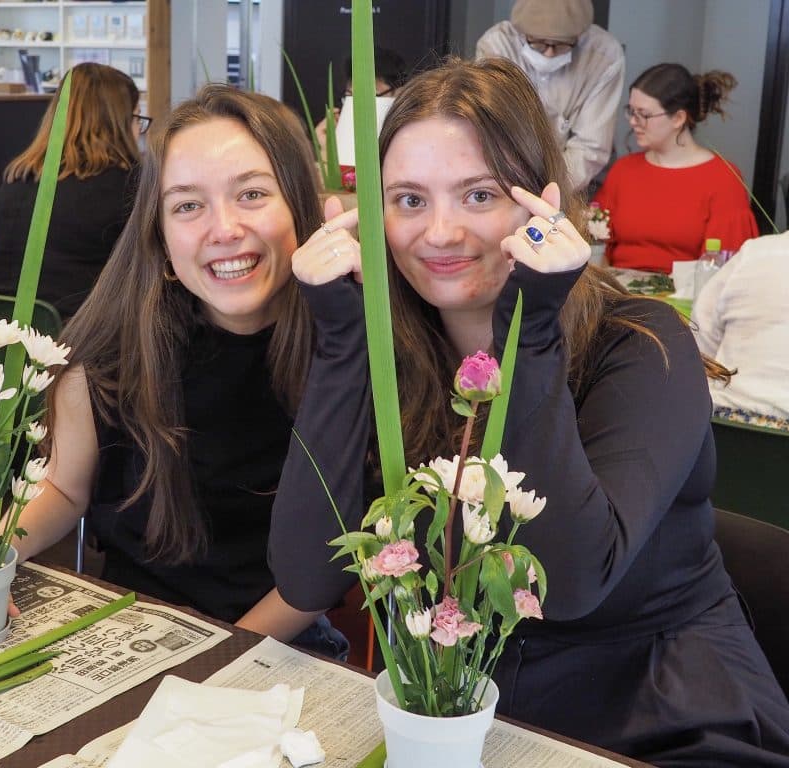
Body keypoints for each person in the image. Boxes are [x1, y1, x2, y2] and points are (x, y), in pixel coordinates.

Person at [285, 56, 789, 766]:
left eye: (479, 195)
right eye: (409, 200)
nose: (441, 233)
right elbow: (307, 579)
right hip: (465, 710)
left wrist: (535, 325)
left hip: (662, 714)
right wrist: (340, 342)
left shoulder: (644, 344)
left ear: (539, 200)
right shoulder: (395, 354)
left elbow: (567, 584)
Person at [0, 84, 370, 658]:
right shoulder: (113, 354)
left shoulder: (346, 347)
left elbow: (317, 582)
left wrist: (222, 659)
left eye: (251, 193)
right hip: (131, 627)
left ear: (300, 208)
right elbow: (63, 488)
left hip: (282, 640)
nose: (223, 228)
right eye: (187, 205)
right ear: (160, 234)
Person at [0, 63, 141, 319]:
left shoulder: (18, 176)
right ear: (120, 122)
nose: (139, 132)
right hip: (77, 344)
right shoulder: (124, 188)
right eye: (137, 118)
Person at [594, 63, 758, 273]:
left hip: (683, 298)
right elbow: (597, 243)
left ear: (678, 118)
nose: (633, 122)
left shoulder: (723, 179)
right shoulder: (623, 171)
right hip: (618, 294)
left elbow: (725, 268)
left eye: (643, 114)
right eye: (631, 112)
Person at [476, 0, 624, 193]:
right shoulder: (496, 45)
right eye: (538, 43)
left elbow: (590, 147)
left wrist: (548, 192)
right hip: (505, 173)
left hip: (569, 181)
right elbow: (492, 127)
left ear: (580, 36)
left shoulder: (604, 55)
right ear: (521, 34)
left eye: (562, 45)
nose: (549, 53)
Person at [693, 230, 789, 430]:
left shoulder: (755, 255)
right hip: (727, 430)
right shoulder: (754, 254)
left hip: (724, 431)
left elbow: (699, 352)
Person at [315, 45, 407, 164]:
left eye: (369, 95)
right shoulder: (336, 140)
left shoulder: (410, 141)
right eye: (350, 96)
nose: (358, 106)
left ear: (399, 93)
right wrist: (326, 151)